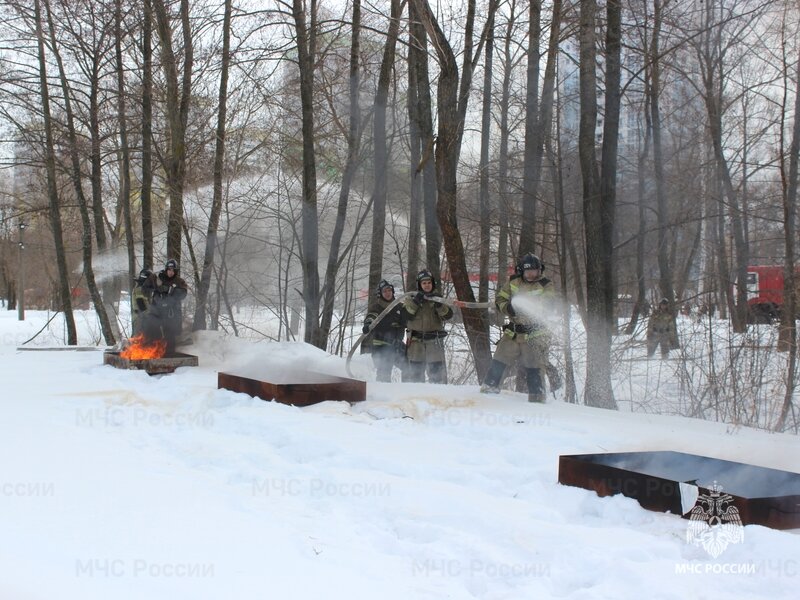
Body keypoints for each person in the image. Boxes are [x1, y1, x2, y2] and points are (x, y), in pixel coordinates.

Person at [480, 253, 556, 403]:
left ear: (539, 270)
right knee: (499, 360)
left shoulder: (546, 284)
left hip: (535, 334)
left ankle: (537, 399)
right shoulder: (513, 282)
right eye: (528, 272)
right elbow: (500, 299)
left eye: (535, 271)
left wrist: (531, 306)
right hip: (513, 332)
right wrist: (508, 308)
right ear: (521, 271)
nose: (531, 274)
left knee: (534, 367)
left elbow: (549, 303)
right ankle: (489, 390)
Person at [402, 269, 453, 383]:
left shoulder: (438, 298)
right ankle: (417, 399)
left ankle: (436, 398)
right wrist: (416, 302)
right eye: (424, 283)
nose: (427, 285)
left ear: (433, 283)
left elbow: (448, 315)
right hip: (416, 343)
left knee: (436, 375)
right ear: (419, 285)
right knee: (415, 375)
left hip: (434, 342)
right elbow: (406, 315)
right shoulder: (410, 299)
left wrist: (439, 305)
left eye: (429, 283)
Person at [141, 258, 188, 355]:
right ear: (166, 269)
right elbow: (144, 289)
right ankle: (151, 353)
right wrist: (155, 289)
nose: (171, 272)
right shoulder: (156, 278)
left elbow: (183, 293)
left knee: (170, 336)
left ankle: (169, 357)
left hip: (171, 313)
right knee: (152, 331)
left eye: (173, 270)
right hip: (156, 311)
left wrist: (169, 290)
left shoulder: (179, 281)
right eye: (169, 270)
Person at [362, 279, 406, 382]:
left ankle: (407, 391)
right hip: (381, 347)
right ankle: (382, 394)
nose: (387, 293)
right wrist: (368, 324)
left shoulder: (399, 307)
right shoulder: (377, 308)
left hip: (396, 345)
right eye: (384, 291)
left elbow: (408, 320)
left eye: (389, 290)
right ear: (380, 294)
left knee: (410, 367)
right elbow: (371, 316)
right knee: (384, 373)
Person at [131, 268, 153, 335]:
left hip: (142, 317)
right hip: (140, 318)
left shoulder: (143, 288)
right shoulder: (140, 288)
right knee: (140, 339)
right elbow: (141, 305)